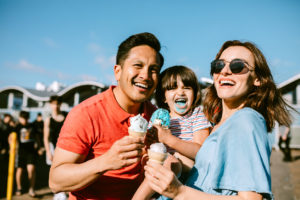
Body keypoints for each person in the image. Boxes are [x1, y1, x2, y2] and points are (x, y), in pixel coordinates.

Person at [139, 40, 292, 200]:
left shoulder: (246, 120)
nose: (225, 71)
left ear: (257, 79)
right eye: (219, 65)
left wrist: (180, 192)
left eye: (237, 66)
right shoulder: (219, 124)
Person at [49, 32, 164, 200]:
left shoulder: (156, 117)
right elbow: (55, 181)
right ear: (117, 71)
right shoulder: (86, 114)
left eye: (153, 69)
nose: (145, 76)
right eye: (138, 66)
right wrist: (106, 162)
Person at [44, 96, 68, 200]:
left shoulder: (67, 116)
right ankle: (58, 192)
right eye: (53, 104)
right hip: (54, 147)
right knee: (54, 171)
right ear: (50, 105)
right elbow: (46, 138)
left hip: (66, 147)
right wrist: (48, 151)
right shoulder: (48, 120)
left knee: (66, 169)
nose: (55, 106)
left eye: (57, 104)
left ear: (60, 104)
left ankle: (63, 191)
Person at [12, 111, 38, 197]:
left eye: (26, 118)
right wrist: (12, 148)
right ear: (20, 118)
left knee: (31, 169)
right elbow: (11, 137)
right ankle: (19, 187)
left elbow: (37, 136)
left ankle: (31, 189)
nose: (25, 120)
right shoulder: (17, 127)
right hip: (21, 152)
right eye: (23, 118)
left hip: (31, 152)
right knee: (19, 170)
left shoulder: (32, 126)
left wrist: (39, 145)